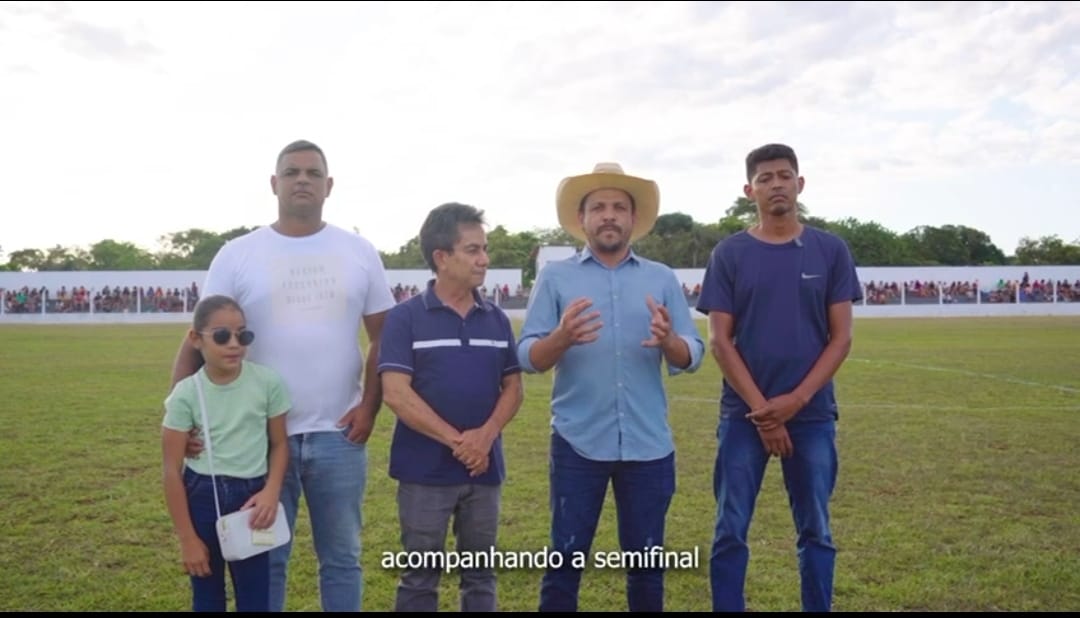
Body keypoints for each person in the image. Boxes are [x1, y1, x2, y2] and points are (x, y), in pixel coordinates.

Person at [170, 139, 397, 612]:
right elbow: (198, 335)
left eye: (313, 173)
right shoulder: (238, 254)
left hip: (339, 434)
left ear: (328, 186)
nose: (302, 180)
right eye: (292, 172)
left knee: (342, 558)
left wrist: (370, 407)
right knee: (266, 557)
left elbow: (383, 338)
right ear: (274, 183)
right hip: (257, 439)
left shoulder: (358, 251)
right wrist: (182, 414)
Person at [516, 162, 706, 612]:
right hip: (577, 442)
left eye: (619, 207)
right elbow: (527, 355)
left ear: (632, 219)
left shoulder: (660, 277)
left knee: (646, 567)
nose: (608, 215)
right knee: (564, 561)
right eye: (597, 207)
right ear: (581, 219)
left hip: (648, 446)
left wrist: (670, 342)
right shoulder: (557, 277)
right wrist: (560, 338)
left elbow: (694, 353)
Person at [695, 143, 863, 612]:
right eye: (765, 178)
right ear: (749, 190)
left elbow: (841, 337)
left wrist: (797, 399)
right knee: (730, 528)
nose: (776, 185)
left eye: (784, 175)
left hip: (811, 417)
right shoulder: (729, 253)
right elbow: (719, 341)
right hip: (743, 417)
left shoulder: (830, 250)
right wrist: (765, 414)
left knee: (816, 529)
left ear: (800, 184)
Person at [377, 202, 524, 612]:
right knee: (420, 577)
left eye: (484, 248)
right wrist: (461, 442)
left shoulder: (496, 319)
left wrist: (486, 436)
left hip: (484, 472)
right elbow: (396, 392)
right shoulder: (405, 318)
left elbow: (513, 387)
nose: (485, 259)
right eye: (473, 250)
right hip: (424, 472)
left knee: (480, 575)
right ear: (442, 258)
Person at [162, 295, 291, 612]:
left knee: (256, 597)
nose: (234, 343)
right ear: (196, 338)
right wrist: (187, 539)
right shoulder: (186, 394)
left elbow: (279, 444)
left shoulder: (267, 383)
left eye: (242, 334)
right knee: (207, 596)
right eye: (221, 335)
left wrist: (271, 492)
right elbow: (170, 470)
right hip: (203, 497)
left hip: (253, 500)